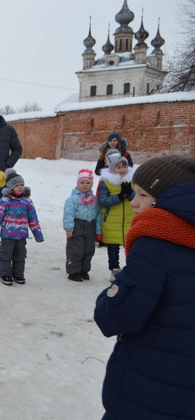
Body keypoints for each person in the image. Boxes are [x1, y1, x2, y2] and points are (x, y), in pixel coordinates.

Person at [94, 155, 195, 419]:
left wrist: (108, 298)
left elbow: (117, 315)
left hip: (151, 385)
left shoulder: (157, 242)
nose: (134, 202)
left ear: (168, 201)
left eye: (144, 195)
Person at [0, 168, 44, 286]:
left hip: (21, 236)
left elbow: (33, 219)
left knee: (20, 255)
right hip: (7, 235)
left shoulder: (27, 202)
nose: (20, 187)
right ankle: (5, 274)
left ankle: (18, 273)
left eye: (22, 184)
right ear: (10, 188)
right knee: (6, 255)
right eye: (17, 185)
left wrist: (38, 234)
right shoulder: (5, 201)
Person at [97, 150, 135, 281]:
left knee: (131, 247)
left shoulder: (132, 181)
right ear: (112, 169)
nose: (122, 169)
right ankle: (114, 270)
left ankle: (132, 269)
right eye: (119, 167)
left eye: (124, 166)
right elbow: (103, 201)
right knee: (113, 249)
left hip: (129, 220)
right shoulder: (106, 182)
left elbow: (138, 198)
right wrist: (120, 196)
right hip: (112, 221)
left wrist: (130, 194)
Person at [63, 169, 102, 281]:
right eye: (82, 182)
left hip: (90, 227)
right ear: (78, 183)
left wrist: (98, 230)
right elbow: (68, 214)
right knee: (76, 249)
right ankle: (73, 272)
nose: (85, 185)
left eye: (88, 183)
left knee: (88, 250)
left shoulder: (95, 200)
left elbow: (98, 215)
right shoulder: (73, 199)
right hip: (77, 226)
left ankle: (84, 270)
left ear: (92, 184)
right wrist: (69, 228)